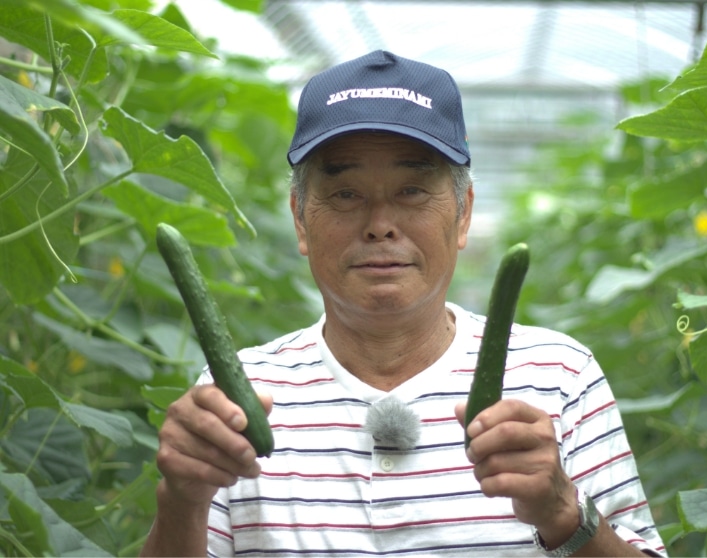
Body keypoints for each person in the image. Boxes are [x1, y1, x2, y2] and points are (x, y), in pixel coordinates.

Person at [140, 50, 666, 557]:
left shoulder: (560, 377)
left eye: (412, 190)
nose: (380, 224)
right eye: (345, 194)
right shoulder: (233, 401)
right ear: (300, 218)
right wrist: (182, 502)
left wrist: (564, 513)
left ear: (463, 214)